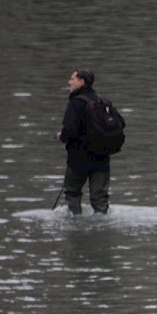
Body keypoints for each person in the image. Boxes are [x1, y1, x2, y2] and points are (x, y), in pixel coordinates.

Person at [55, 67, 110, 215]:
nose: (69, 82)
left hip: (79, 158)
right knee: (100, 198)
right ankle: (102, 223)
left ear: (82, 81)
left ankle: (75, 222)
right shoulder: (101, 101)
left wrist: (62, 137)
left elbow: (69, 129)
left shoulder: (76, 103)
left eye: (72, 79)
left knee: (72, 193)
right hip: (102, 158)